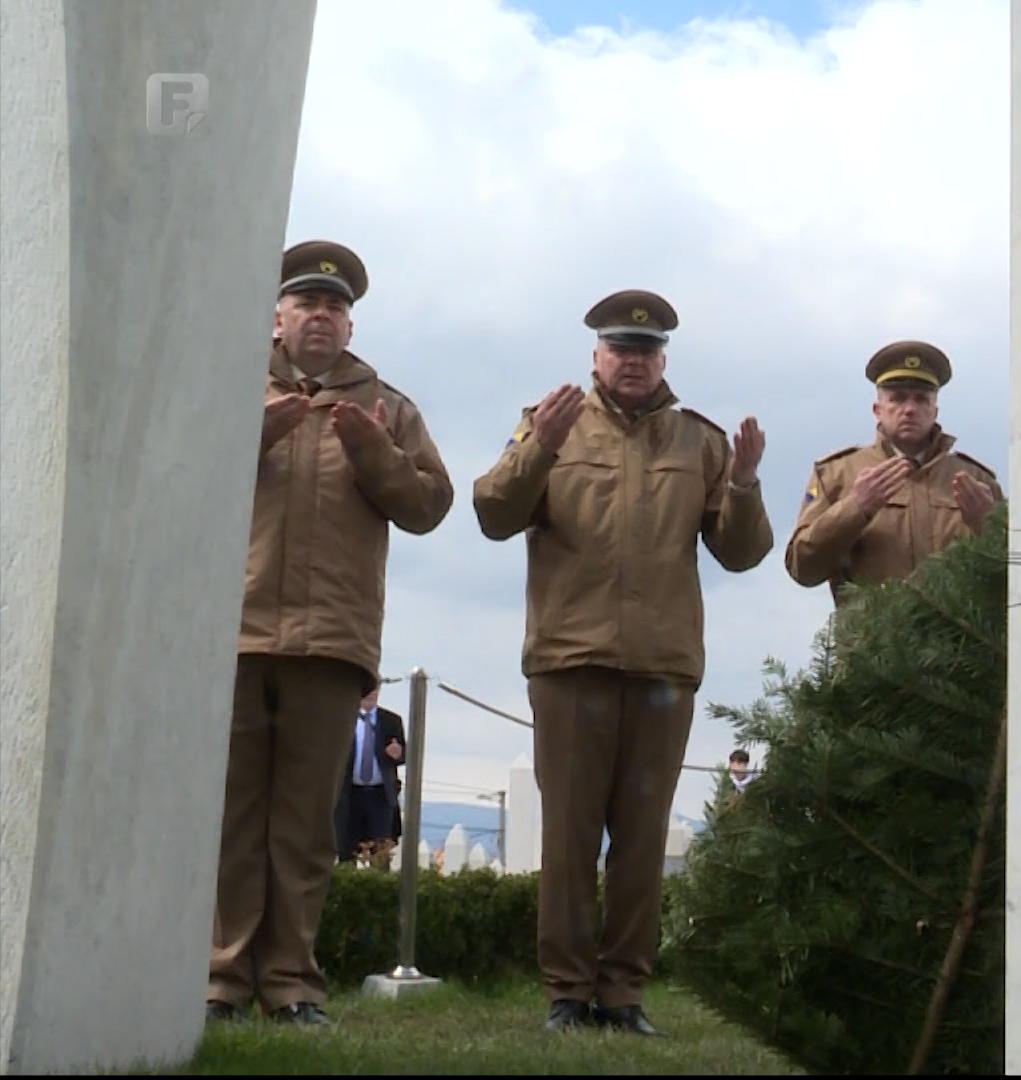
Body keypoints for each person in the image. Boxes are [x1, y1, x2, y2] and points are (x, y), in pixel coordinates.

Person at [472, 288, 773, 1036]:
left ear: (662, 359)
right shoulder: (551, 424)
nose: (633, 361)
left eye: (646, 351)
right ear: (596, 357)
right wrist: (539, 444)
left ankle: (624, 995)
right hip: (571, 660)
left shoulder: (698, 440)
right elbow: (492, 513)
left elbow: (743, 553)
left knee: (640, 843)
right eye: (620, 349)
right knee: (569, 838)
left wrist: (742, 482)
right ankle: (567, 992)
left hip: (663, 669)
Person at [207, 241, 454, 1026]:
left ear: (350, 326)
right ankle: (219, 980)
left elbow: (428, 507)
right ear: (276, 316)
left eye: (336, 306)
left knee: (309, 825)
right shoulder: (226, 385)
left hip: (331, 640)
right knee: (232, 816)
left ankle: (290, 984)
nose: (322, 314)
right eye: (307, 302)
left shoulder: (388, 405)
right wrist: (251, 434)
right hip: (233, 631)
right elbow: (171, 474)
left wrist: (374, 453)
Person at [784, 340, 1003, 607]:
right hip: (873, 645)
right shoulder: (836, 474)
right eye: (897, 398)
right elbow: (802, 569)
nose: (909, 409)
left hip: (959, 645)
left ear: (934, 411)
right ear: (877, 409)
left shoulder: (976, 481)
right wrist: (856, 508)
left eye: (921, 399)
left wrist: (988, 528)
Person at [333, 685, 406, 864]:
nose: (371, 695)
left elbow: (403, 754)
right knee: (346, 851)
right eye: (367, 690)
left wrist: (397, 753)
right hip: (349, 795)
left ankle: (380, 887)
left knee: (380, 853)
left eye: (374, 690)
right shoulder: (342, 719)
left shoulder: (390, 720)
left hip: (380, 796)